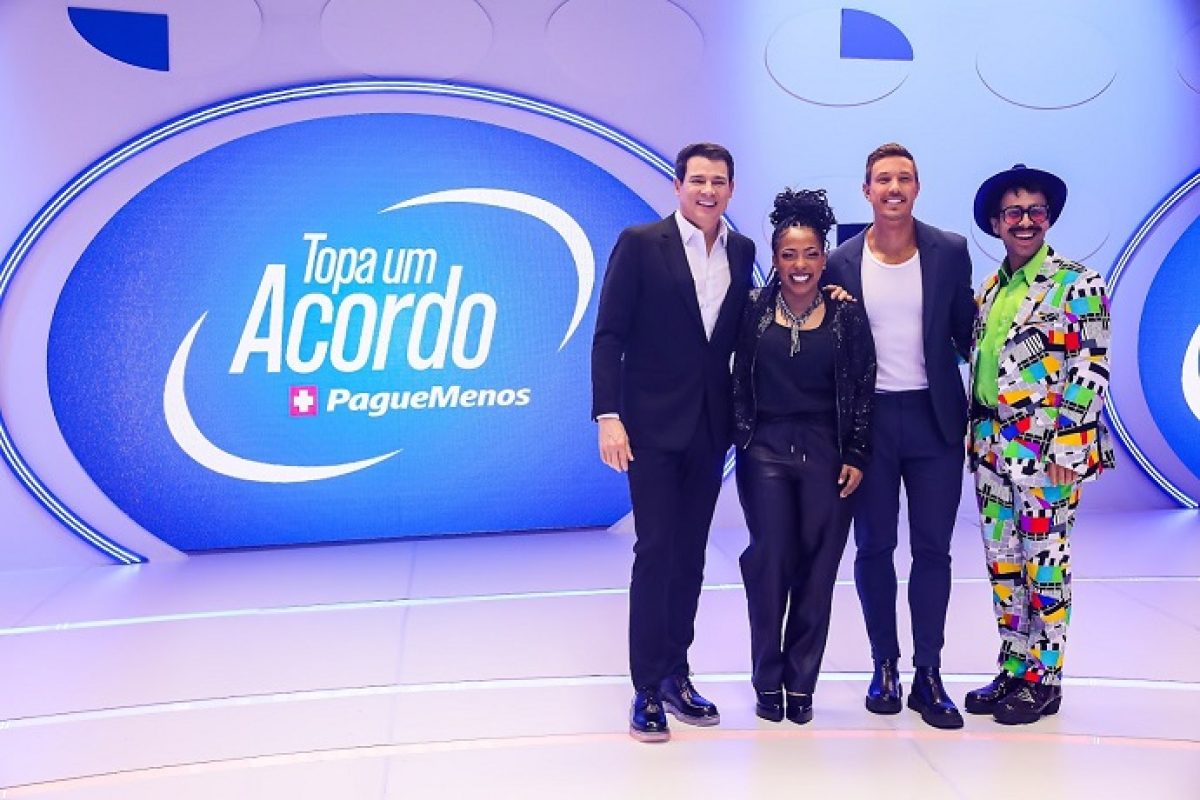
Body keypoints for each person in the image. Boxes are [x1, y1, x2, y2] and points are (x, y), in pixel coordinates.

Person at [591, 142, 756, 743]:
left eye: (719, 181)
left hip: (710, 429)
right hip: (651, 428)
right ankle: (644, 687)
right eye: (698, 180)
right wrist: (608, 414)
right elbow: (609, 335)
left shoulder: (742, 250)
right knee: (656, 551)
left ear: (730, 189)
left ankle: (675, 675)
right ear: (678, 185)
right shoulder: (641, 244)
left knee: (690, 556)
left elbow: (744, 330)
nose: (708, 191)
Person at [824, 143, 975, 729]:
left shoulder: (949, 250)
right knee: (874, 548)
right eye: (883, 179)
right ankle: (883, 665)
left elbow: (965, 334)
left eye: (904, 178)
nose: (893, 188)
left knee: (933, 550)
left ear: (917, 187)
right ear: (866, 190)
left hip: (935, 421)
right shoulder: (839, 261)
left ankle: (928, 674)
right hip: (872, 425)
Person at [964, 164, 1114, 724]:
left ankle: (1045, 679)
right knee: (1005, 565)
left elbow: (1091, 370)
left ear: (1048, 218)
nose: (1024, 221)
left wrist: (1069, 450)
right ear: (996, 223)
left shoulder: (1078, 282)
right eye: (1013, 212)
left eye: (1035, 211)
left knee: (1045, 566)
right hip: (989, 447)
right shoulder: (990, 288)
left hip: (1047, 454)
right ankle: (1014, 668)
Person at [731, 189, 875, 725]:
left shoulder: (845, 314)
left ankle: (801, 683)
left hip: (827, 453)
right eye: (789, 254)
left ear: (824, 257)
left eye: (811, 253)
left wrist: (856, 451)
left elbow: (864, 385)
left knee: (818, 570)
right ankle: (767, 680)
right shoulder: (751, 309)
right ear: (774, 258)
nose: (800, 264)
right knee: (769, 563)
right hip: (764, 450)